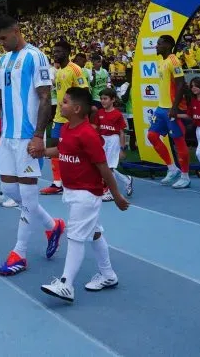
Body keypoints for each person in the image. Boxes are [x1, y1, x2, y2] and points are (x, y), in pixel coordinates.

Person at [0, 14, 65, 277]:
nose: (1, 43)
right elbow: (0, 96)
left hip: (28, 137)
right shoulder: (4, 60)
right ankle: (53, 225)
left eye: (4, 38)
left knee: (26, 197)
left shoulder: (35, 57)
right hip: (8, 137)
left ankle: (20, 253)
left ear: (16, 30)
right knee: (9, 190)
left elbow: (45, 97)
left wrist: (39, 135)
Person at [32, 87, 127, 303]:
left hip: (87, 193)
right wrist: (43, 152)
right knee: (94, 233)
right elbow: (64, 149)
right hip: (72, 191)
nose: (60, 105)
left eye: (64, 102)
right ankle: (108, 275)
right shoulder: (66, 129)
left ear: (76, 108)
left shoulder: (88, 134)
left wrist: (117, 196)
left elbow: (103, 167)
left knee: (75, 236)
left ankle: (66, 284)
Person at [42, 40, 89, 196]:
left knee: (78, 150)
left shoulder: (75, 69)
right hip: (59, 117)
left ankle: (88, 179)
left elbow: (84, 93)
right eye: (54, 51)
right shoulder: (59, 71)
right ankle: (57, 183)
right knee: (55, 147)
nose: (55, 54)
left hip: (73, 119)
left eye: (59, 51)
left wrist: (79, 116)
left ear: (68, 53)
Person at [146, 35, 191, 189]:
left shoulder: (174, 61)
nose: (156, 46)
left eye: (159, 43)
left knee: (178, 142)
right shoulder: (160, 61)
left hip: (172, 109)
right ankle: (172, 169)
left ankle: (185, 176)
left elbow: (181, 85)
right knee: (152, 136)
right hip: (161, 108)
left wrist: (174, 108)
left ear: (167, 45)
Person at [94, 87, 133, 201]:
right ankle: (126, 179)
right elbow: (96, 128)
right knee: (103, 166)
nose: (102, 101)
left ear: (113, 100)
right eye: (101, 99)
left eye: (105, 99)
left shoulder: (117, 114)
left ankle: (111, 192)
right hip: (103, 140)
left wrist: (121, 148)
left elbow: (121, 132)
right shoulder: (99, 113)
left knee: (109, 167)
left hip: (113, 140)